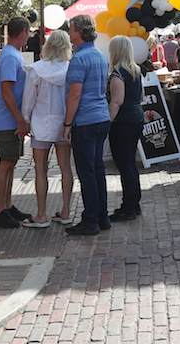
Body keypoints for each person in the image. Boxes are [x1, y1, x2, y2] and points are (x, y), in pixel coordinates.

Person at [62, 14, 113, 236]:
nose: (69, 33)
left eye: (71, 29)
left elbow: (75, 94)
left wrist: (67, 123)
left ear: (79, 32)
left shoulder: (79, 59)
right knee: (97, 169)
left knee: (87, 172)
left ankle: (90, 219)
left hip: (85, 120)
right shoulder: (101, 56)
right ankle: (102, 216)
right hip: (101, 117)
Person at [20, 30, 75, 227]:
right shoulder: (70, 69)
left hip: (41, 123)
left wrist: (25, 119)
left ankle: (41, 214)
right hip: (63, 123)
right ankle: (66, 211)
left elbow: (29, 100)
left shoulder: (36, 69)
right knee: (65, 168)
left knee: (40, 170)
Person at [0, 17, 32, 229]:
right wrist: (19, 120)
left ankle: (7, 206)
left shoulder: (13, 55)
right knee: (6, 163)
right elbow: (7, 91)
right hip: (6, 119)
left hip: (11, 119)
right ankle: (0, 211)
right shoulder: (9, 57)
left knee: (11, 162)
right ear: (23, 32)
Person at [106, 35, 145, 222]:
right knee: (130, 163)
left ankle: (129, 206)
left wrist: (107, 122)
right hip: (136, 117)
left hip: (123, 121)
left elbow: (116, 101)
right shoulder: (136, 70)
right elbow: (142, 95)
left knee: (124, 164)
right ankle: (133, 203)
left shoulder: (117, 74)